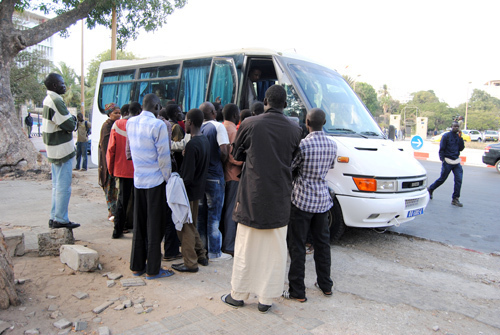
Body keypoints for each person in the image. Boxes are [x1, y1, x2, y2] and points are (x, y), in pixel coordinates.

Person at [221, 85, 302, 314]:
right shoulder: (296, 130)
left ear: (265, 101)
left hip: (252, 196)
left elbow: (236, 155)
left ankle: (238, 295)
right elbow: (295, 160)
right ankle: (265, 299)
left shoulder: (249, 124)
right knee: (274, 251)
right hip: (279, 197)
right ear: (285, 105)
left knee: (246, 247)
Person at [283, 108, 337, 303]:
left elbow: (291, 167)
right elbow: (330, 167)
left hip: (301, 201)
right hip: (322, 202)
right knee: (323, 245)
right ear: (324, 122)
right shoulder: (332, 145)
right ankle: (326, 285)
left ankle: (297, 291)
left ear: (307, 122)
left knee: (297, 246)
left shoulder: (304, 145)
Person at [127, 93, 174, 279]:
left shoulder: (131, 123)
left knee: (139, 224)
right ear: (156, 107)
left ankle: (137, 266)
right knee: (155, 226)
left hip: (138, 179)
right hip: (155, 181)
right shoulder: (158, 125)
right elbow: (163, 156)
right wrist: (168, 178)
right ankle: (153, 269)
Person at [171, 108, 210, 272]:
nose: (184, 123)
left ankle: (190, 262)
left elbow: (187, 176)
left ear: (191, 122)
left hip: (189, 191)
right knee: (191, 224)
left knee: (185, 227)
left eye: (186, 120)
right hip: (198, 189)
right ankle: (201, 254)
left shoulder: (193, 144)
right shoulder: (204, 140)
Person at [42, 73, 79, 229]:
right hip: (61, 150)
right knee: (63, 187)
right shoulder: (56, 100)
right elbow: (69, 124)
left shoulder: (48, 99)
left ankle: (54, 217)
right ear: (55, 86)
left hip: (53, 149)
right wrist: (75, 120)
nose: (65, 85)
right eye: (62, 83)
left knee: (57, 186)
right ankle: (61, 219)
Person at [198, 102, 232, 261]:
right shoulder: (218, 127)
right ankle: (215, 252)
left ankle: (203, 249)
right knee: (214, 216)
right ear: (212, 112)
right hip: (215, 177)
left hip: (201, 177)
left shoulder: (199, 128)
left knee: (201, 216)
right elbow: (224, 150)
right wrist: (220, 163)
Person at [107, 104, 139, 239]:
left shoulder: (117, 125)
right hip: (138, 169)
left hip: (121, 169)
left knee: (122, 201)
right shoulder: (139, 124)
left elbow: (111, 149)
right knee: (138, 202)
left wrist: (111, 169)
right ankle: (138, 231)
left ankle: (117, 230)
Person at [221, 103, 242, 256]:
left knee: (224, 210)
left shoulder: (221, 126)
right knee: (231, 211)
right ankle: (229, 244)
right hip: (233, 175)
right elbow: (233, 156)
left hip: (223, 174)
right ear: (235, 115)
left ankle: (224, 242)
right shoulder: (233, 131)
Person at [428, 121, 465, 207]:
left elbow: (461, 148)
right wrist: (443, 160)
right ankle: (431, 189)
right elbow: (442, 149)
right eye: (454, 126)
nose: (456, 128)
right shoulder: (446, 136)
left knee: (458, 180)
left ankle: (455, 199)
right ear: (451, 127)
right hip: (447, 161)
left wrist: (460, 138)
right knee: (442, 179)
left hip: (456, 161)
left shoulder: (458, 137)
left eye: (457, 126)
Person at [99, 103, 121, 221]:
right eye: (115, 113)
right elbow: (106, 147)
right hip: (108, 163)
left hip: (114, 163)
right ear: (109, 114)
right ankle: (113, 214)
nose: (118, 115)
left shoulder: (115, 125)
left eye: (119, 113)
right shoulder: (107, 126)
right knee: (111, 190)